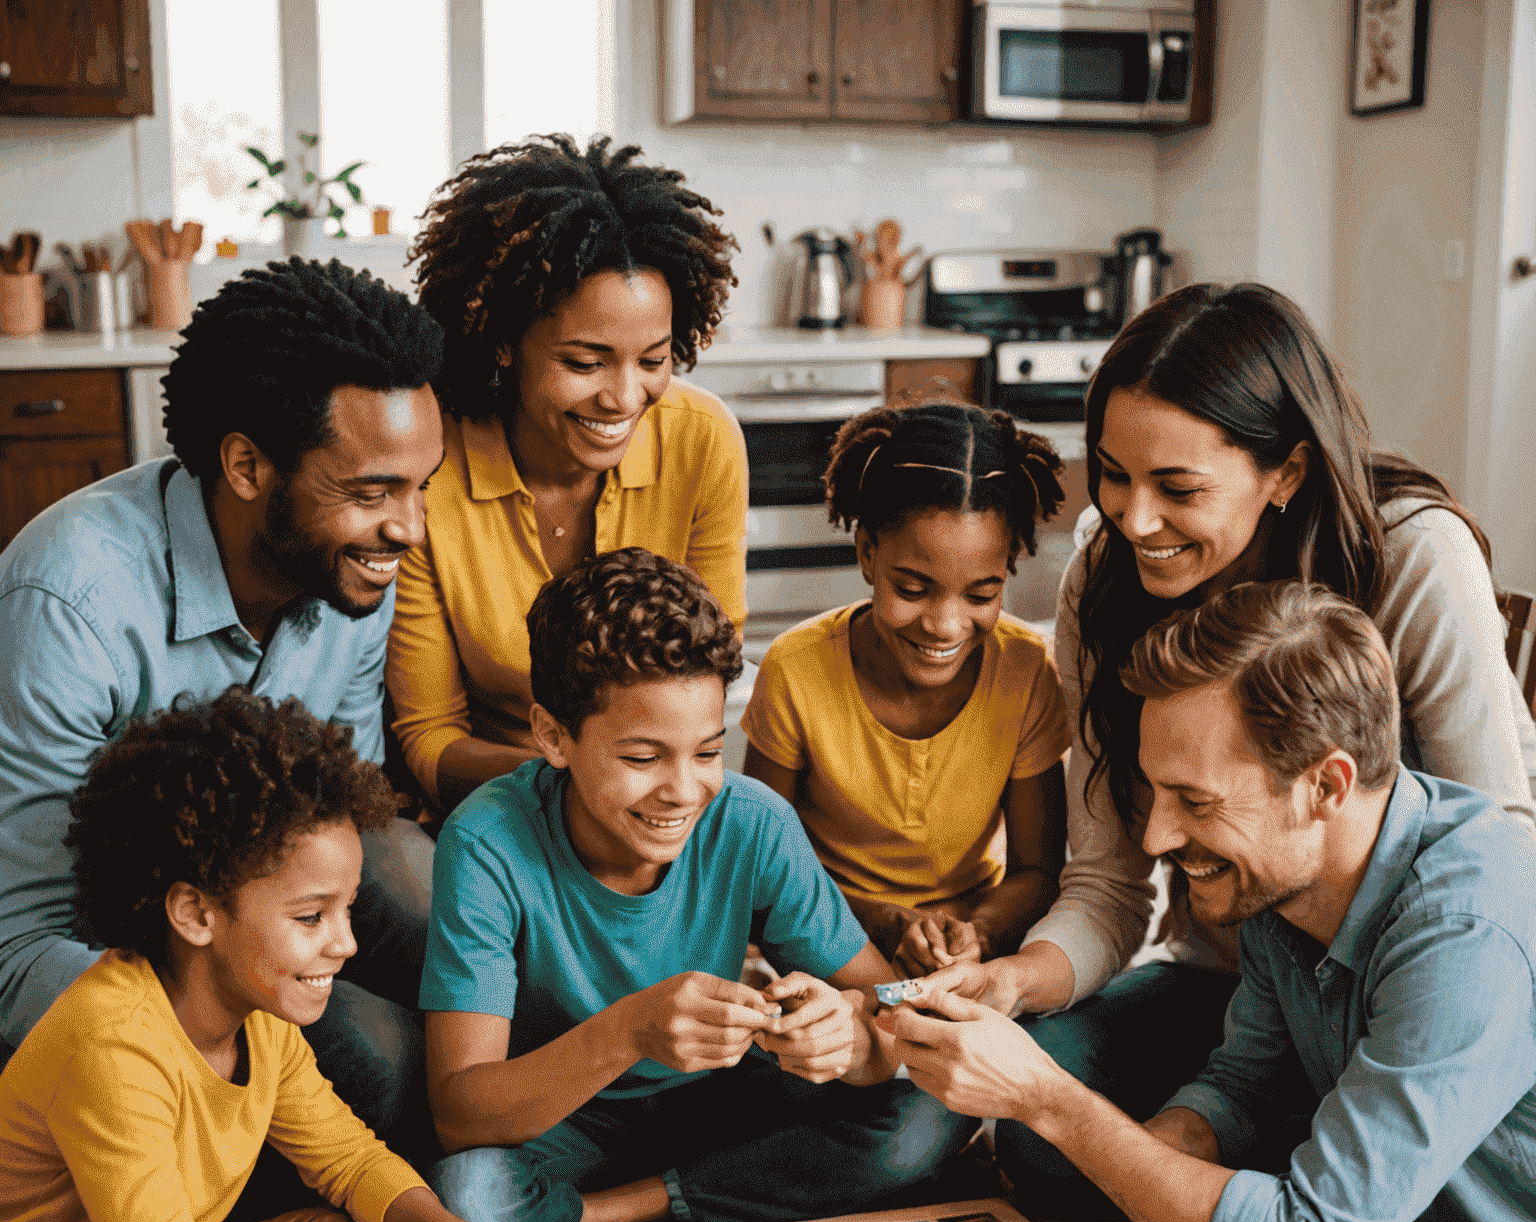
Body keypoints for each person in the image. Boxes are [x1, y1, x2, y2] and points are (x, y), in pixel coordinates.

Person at [919, 281, 1536, 1176]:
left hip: (1390, 997)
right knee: (1036, 1146)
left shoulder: (1409, 557)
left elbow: (1500, 855)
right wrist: (1013, 979)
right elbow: (1109, 886)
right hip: (1225, 980)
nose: (1133, 520)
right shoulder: (1104, 574)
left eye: (1178, 488)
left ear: (1284, 471)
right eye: (1114, 474)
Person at [887, 581, 1536, 1222]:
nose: (1156, 837)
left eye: (1194, 802)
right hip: (1403, 1193)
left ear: (1326, 787)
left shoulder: (1465, 929)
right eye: (1159, 793)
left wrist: (1050, 1102)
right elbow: (1244, 1085)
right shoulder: (1282, 876)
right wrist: (1143, 1158)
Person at [0, 688, 551, 1222]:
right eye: (310, 917)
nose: (347, 944)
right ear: (196, 913)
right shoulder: (109, 1040)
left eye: (344, 910)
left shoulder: (258, 1015)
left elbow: (347, 1159)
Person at [0, 257, 443, 1140]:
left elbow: (346, 825)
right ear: (245, 463)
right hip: (121, 947)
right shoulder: (70, 601)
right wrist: (221, 1020)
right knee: (382, 1055)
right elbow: (19, 945)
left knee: (444, 910)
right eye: (370, 493)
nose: (409, 529)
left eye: (420, 485)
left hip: (269, 906)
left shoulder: (355, 569)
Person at [421, 548, 973, 1222]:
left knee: (932, 1111)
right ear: (553, 736)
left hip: (722, 1102)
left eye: (708, 752)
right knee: (466, 1200)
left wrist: (851, 1034)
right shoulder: (487, 843)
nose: (685, 791)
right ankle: (719, 1198)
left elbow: (897, 1015)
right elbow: (460, 1115)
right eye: (643, 758)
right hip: (565, 1121)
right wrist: (629, 1032)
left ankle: (614, 1214)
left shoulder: (752, 821)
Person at [391, 133, 748, 812]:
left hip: (653, 796)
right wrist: (580, 779)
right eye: (584, 363)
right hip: (491, 802)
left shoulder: (703, 443)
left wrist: (632, 785)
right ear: (502, 341)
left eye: (653, 359)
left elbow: (710, 676)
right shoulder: (428, 467)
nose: (623, 398)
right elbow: (429, 735)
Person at [741, 401, 1069, 975]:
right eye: (914, 588)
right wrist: (888, 923)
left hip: (966, 948)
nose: (945, 625)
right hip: (825, 933)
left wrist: (980, 933)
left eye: (981, 594)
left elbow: (1036, 872)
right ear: (868, 553)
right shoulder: (797, 668)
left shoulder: (1025, 670)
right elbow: (759, 873)